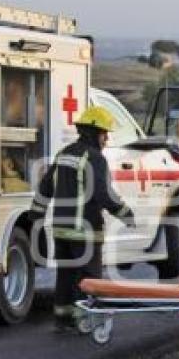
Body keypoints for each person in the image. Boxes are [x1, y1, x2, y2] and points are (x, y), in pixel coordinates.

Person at [29, 107, 135, 331]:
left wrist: (36, 213)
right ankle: (84, 320)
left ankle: (62, 319)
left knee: (66, 276)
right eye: (105, 133)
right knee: (89, 278)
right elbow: (103, 194)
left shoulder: (64, 153)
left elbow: (45, 187)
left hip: (61, 231)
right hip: (84, 231)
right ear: (94, 132)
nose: (107, 138)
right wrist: (126, 213)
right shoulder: (95, 159)